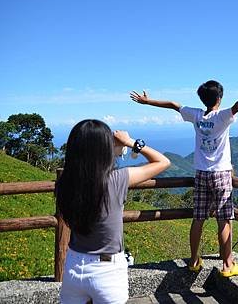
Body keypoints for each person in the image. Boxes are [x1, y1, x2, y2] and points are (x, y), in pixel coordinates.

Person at [130, 80, 238, 277]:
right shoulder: (222, 116)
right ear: (219, 98)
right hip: (221, 173)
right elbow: (236, 107)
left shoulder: (196, 115)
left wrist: (147, 102)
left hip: (201, 173)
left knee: (198, 218)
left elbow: (173, 105)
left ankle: (194, 260)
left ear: (203, 98)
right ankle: (227, 265)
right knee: (224, 220)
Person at [56, 119, 170, 304]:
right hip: (107, 271)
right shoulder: (117, 179)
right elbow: (163, 162)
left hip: (74, 265)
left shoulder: (65, 183)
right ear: (103, 150)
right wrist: (130, 142)